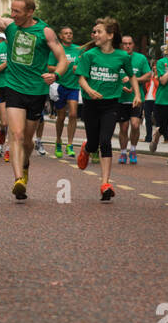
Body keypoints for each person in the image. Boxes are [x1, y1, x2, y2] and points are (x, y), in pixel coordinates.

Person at [0, 0, 69, 200]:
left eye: (17, 11)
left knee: (27, 139)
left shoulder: (45, 32)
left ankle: (25, 164)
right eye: (12, 10)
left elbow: (63, 59)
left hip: (36, 91)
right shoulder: (9, 26)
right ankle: (18, 179)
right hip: (14, 88)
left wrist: (55, 74)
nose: (13, 14)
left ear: (30, 12)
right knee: (15, 134)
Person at [75, 18, 139, 200]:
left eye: (98, 31)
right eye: (94, 32)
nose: (94, 34)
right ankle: (87, 149)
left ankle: (105, 183)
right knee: (94, 143)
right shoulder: (89, 55)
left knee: (106, 141)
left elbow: (132, 76)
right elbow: (81, 78)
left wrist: (137, 95)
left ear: (110, 35)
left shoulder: (122, 56)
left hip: (111, 104)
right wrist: (89, 90)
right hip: (91, 104)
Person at [45, 25, 83, 158]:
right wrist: (62, 67)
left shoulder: (78, 50)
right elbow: (49, 66)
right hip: (59, 85)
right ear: (60, 36)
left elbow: (83, 65)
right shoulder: (56, 49)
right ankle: (58, 141)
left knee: (73, 114)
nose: (69, 35)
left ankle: (70, 144)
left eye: (71, 33)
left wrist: (78, 68)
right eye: (66, 33)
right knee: (61, 117)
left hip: (73, 86)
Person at [117, 34, 153, 164]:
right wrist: (121, 86)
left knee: (135, 125)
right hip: (121, 99)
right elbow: (112, 76)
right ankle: (122, 152)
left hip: (136, 98)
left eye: (129, 43)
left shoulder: (141, 58)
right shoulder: (117, 57)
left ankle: (132, 149)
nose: (127, 46)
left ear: (133, 45)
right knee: (124, 128)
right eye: (124, 44)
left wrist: (134, 80)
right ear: (121, 45)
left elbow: (148, 76)